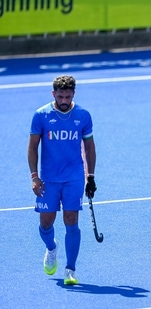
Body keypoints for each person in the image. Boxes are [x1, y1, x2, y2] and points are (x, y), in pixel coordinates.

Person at [28, 75, 97, 285]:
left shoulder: (83, 116)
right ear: (53, 94)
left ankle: (70, 269)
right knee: (46, 223)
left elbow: (90, 147)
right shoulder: (41, 115)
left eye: (68, 96)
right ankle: (51, 248)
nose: (64, 100)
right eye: (60, 96)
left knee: (71, 221)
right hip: (49, 179)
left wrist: (90, 177)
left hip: (73, 178)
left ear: (73, 94)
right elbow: (32, 147)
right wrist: (34, 176)